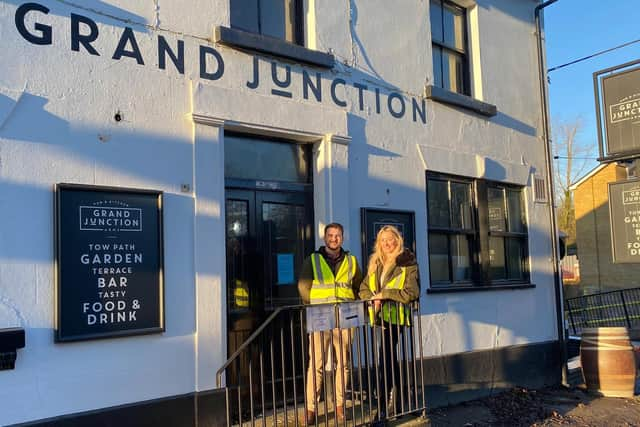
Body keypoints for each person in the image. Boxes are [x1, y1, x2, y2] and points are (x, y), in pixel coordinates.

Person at [298, 223, 363, 425]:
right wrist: (314, 306)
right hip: (320, 316)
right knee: (315, 364)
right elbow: (303, 287)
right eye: (330, 235)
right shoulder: (313, 260)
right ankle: (310, 409)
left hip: (345, 318)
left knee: (343, 364)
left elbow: (359, 286)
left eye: (337, 235)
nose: (334, 238)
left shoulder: (352, 261)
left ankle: (340, 407)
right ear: (324, 238)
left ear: (342, 238)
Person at [359, 225, 419, 419]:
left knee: (384, 358)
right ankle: (398, 402)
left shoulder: (407, 261)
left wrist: (384, 294)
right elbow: (363, 288)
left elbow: (412, 293)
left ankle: (384, 407)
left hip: (395, 316)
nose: (386, 243)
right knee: (388, 358)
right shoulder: (375, 262)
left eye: (390, 239)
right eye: (383, 240)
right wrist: (371, 297)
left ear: (397, 240)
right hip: (379, 316)